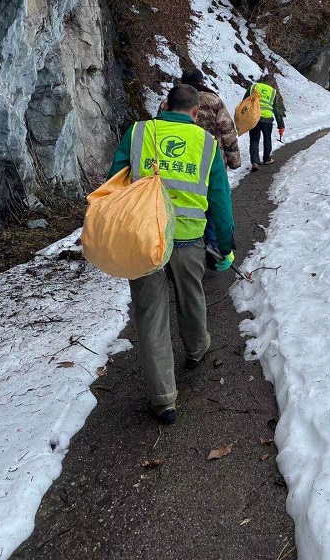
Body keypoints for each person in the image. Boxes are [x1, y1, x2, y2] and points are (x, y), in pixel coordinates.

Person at [108, 84, 235, 425]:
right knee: (192, 297)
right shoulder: (206, 143)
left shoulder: (137, 133)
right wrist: (226, 243)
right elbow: (220, 197)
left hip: (145, 240)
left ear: (164, 105)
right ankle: (196, 349)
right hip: (188, 240)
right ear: (196, 112)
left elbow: (113, 182)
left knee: (150, 315)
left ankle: (163, 399)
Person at [179, 65, 241, 170]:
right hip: (211, 158)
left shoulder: (168, 102)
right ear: (201, 81)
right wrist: (234, 160)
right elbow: (227, 130)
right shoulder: (212, 100)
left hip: (180, 158)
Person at [244, 74, 285, 171]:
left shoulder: (253, 87)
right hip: (267, 119)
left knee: (254, 139)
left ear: (263, 80)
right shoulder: (273, 92)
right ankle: (267, 159)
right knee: (267, 138)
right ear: (272, 82)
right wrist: (281, 125)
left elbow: (244, 102)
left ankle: (254, 161)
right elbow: (277, 110)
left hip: (254, 118)